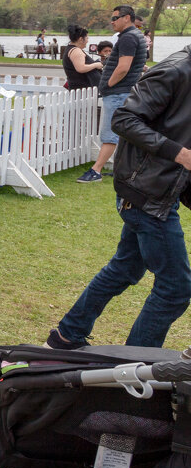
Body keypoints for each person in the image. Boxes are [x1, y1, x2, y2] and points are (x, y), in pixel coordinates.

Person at [49, 44, 191, 350]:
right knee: (176, 289)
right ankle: (133, 364)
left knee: (124, 268)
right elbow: (124, 119)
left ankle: (67, 334)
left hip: (160, 191)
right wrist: (179, 154)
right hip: (146, 194)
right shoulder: (175, 70)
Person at [79, 5, 148, 183]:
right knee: (124, 132)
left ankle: (96, 171)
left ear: (127, 18)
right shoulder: (135, 36)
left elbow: (123, 67)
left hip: (118, 92)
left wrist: (109, 84)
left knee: (111, 132)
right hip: (123, 91)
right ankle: (124, 169)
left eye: (115, 18)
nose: (112, 21)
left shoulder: (128, 38)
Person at [61, 25, 103, 91]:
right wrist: (96, 65)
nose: (87, 41)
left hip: (80, 90)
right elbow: (81, 68)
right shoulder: (76, 51)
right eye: (87, 38)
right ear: (81, 39)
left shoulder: (71, 49)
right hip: (81, 90)